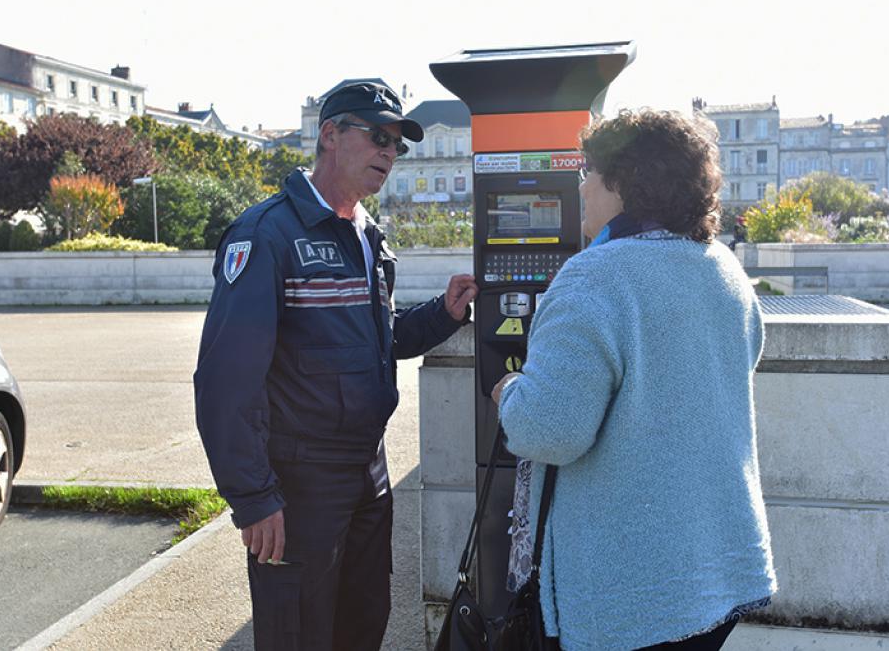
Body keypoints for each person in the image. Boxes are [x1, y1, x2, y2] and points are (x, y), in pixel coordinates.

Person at [194, 82, 477, 651]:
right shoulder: (267, 234)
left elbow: (377, 341)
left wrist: (442, 316)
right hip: (301, 487)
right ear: (329, 135)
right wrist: (253, 497)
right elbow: (227, 379)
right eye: (378, 137)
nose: (389, 154)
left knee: (361, 626)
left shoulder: (367, 234)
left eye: (397, 145)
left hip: (368, 478)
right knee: (299, 634)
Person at [490, 109, 776, 651]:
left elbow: (550, 430)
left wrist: (511, 394)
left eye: (587, 171)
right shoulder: (722, 268)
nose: (579, 186)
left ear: (623, 181)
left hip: (632, 587)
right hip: (718, 563)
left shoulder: (595, 277)